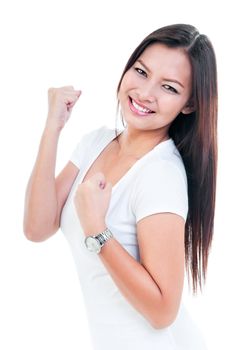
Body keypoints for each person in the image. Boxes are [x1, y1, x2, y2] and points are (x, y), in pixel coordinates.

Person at [23, 23, 217, 350]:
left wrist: (97, 229)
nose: (145, 93)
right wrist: (52, 127)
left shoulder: (161, 174)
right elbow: (37, 227)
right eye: (141, 71)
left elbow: (163, 312)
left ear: (189, 104)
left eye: (169, 88)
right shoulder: (96, 141)